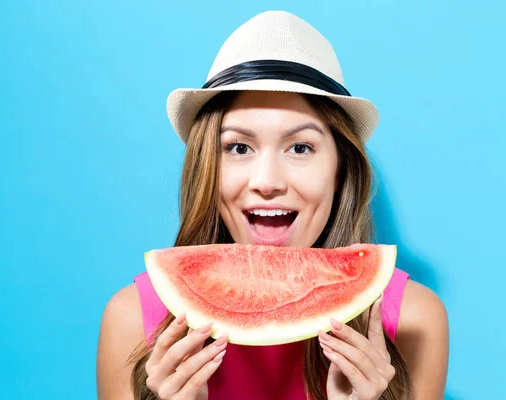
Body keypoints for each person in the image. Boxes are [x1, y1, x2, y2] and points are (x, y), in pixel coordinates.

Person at [97, 10, 449, 400]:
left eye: (300, 147)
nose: (266, 182)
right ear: (208, 168)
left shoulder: (414, 322)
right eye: (238, 147)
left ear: (340, 168)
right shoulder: (132, 321)